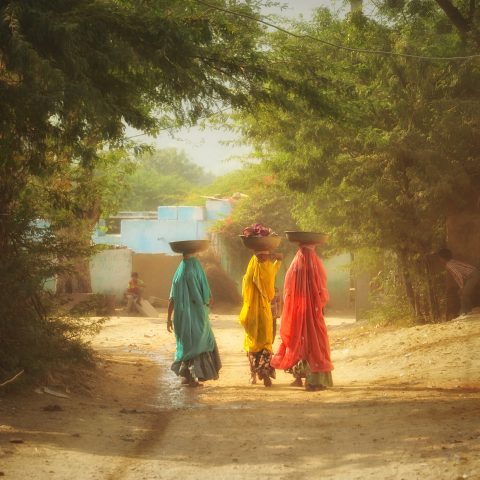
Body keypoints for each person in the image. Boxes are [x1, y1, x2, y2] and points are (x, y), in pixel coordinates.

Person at [271, 244, 333, 391]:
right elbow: (322, 291)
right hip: (312, 312)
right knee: (315, 343)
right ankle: (315, 380)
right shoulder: (316, 265)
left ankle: (299, 377)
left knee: (298, 341)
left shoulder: (295, 266)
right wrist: (317, 304)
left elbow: (288, 292)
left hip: (298, 312)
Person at [167, 253, 221, 387]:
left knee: (186, 344)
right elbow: (207, 296)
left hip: (180, 318)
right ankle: (194, 376)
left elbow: (172, 298)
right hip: (198, 316)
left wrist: (168, 318)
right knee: (199, 343)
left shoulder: (178, 274)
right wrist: (207, 304)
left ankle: (187, 376)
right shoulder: (196, 268)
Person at [239, 251, 282, 387]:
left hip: (251, 313)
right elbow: (270, 286)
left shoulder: (249, 273)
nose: (264, 258)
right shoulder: (267, 268)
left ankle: (255, 374)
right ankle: (265, 374)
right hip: (262, 313)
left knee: (254, 343)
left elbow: (245, 292)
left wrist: (277, 262)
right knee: (264, 343)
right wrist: (278, 261)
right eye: (263, 256)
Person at [437, 248, 480, 315]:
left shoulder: (449, 265)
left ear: (443, 258)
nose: (439, 260)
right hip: (472, 275)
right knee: (462, 294)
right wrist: (461, 287)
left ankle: (465, 311)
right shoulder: (451, 262)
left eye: (440, 258)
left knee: (464, 293)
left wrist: (462, 287)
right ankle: (467, 311)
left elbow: (458, 275)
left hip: (474, 275)